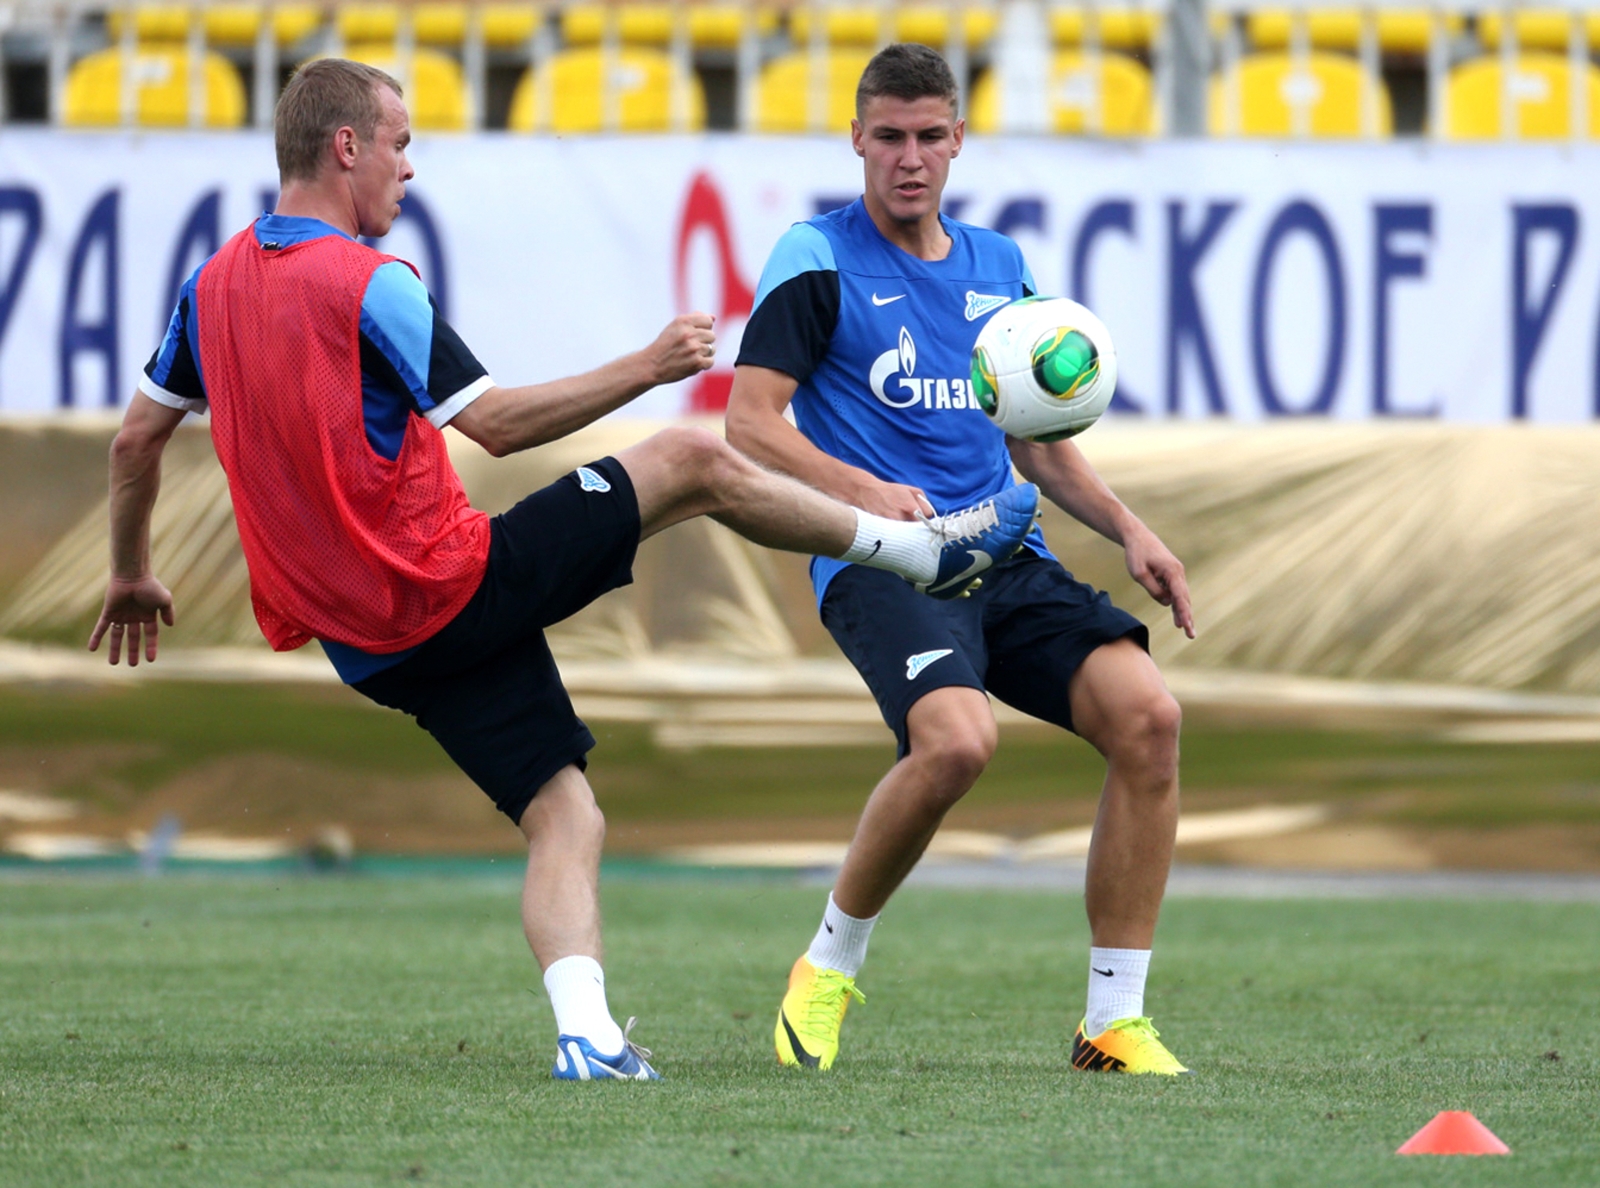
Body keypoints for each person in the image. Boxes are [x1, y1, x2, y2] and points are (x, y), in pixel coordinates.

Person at [89, 58, 1038, 1083]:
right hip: (443, 584)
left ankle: (586, 1036)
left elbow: (135, 443)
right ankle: (917, 550)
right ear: (345, 149)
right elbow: (493, 426)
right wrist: (646, 366)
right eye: (401, 145)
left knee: (565, 810)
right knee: (688, 460)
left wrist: (131, 572)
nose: (410, 170)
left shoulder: (209, 286)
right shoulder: (370, 283)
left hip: (367, 646)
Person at [725, 43, 1197, 1076]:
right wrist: (861, 493)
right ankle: (828, 966)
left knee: (1150, 718)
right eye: (887, 136)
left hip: (1004, 555)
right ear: (855, 139)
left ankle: (1112, 1022)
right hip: (885, 562)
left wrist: (1129, 529)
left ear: (957, 142)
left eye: (928, 136)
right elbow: (749, 425)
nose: (908, 158)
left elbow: (1033, 443)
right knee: (955, 744)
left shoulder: (1001, 269)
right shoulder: (816, 257)